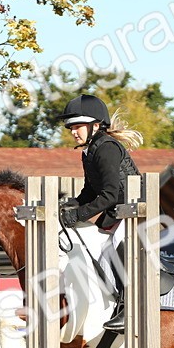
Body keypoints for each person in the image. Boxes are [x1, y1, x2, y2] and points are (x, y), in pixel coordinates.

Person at [57, 94, 144, 331]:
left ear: (95, 125)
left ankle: (129, 308)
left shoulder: (106, 148)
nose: (74, 132)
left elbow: (107, 195)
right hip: (119, 211)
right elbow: (89, 191)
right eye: (71, 127)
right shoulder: (88, 151)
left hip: (138, 211)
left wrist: (77, 215)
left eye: (78, 126)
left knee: (116, 243)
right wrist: (71, 205)